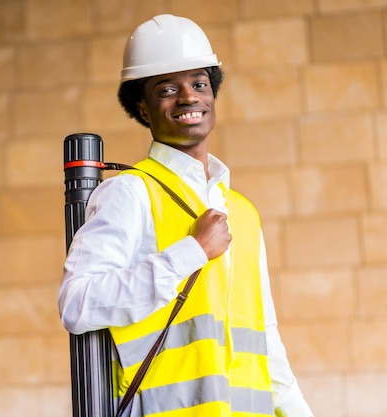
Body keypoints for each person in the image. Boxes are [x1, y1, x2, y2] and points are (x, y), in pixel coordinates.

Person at [59, 14, 314, 417]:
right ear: (142, 107)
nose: (188, 97)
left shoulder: (242, 213)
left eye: (199, 84)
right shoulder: (130, 192)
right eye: (167, 88)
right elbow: (77, 304)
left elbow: (264, 341)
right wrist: (192, 251)